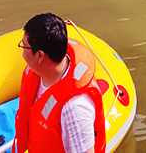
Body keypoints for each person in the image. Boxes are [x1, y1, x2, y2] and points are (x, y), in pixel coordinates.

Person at [15, 13, 106, 153]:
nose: (22, 53)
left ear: (40, 55)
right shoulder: (37, 72)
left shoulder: (74, 108)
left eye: (24, 46)